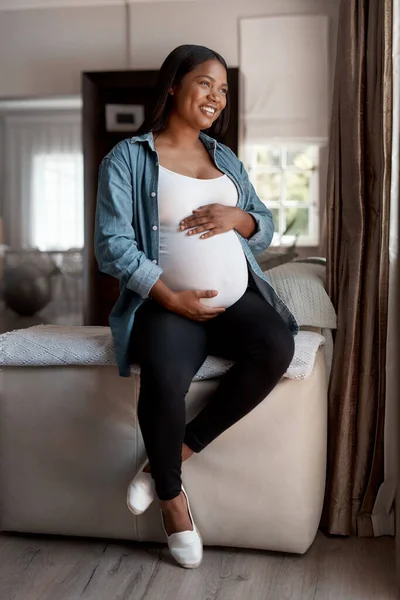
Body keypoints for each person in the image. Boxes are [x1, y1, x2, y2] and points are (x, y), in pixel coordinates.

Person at [95, 44, 298, 569]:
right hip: (165, 304)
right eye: (206, 83)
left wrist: (240, 219)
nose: (216, 97)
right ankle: (172, 500)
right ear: (172, 85)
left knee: (276, 345)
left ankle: (176, 451)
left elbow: (264, 224)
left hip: (236, 302)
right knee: (163, 376)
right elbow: (112, 245)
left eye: (224, 89)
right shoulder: (129, 158)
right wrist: (169, 296)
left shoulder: (224, 158)